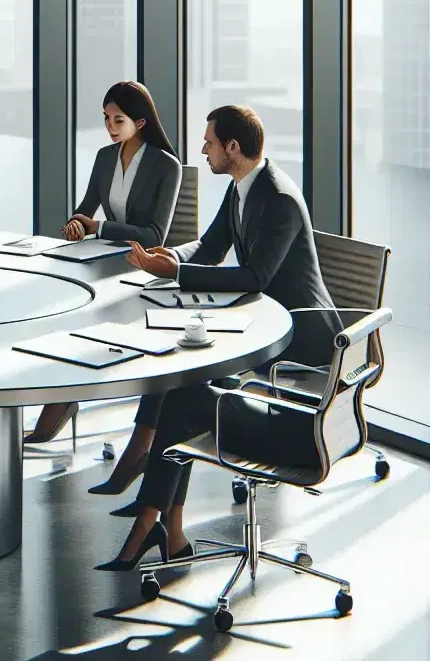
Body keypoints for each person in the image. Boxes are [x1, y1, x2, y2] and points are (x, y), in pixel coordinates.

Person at [96, 104, 339, 571]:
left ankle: (155, 523)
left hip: (299, 361)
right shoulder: (241, 188)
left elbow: (255, 276)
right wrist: (169, 257)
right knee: (176, 379)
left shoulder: (279, 199)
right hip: (264, 334)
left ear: (233, 147)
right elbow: (209, 248)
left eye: (208, 142)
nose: (202, 149)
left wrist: (181, 273)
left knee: (183, 390)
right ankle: (164, 524)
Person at [22, 82, 183, 499]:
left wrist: (101, 229)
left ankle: (66, 405)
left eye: (119, 120)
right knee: (61, 309)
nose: (111, 128)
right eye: (107, 119)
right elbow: (88, 208)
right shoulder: (103, 157)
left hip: (144, 270)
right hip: (100, 263)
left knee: (91, 319)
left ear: (140, 122)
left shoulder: (167, 166)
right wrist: (79, 223)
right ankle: (63, 398)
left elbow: (154, 233)